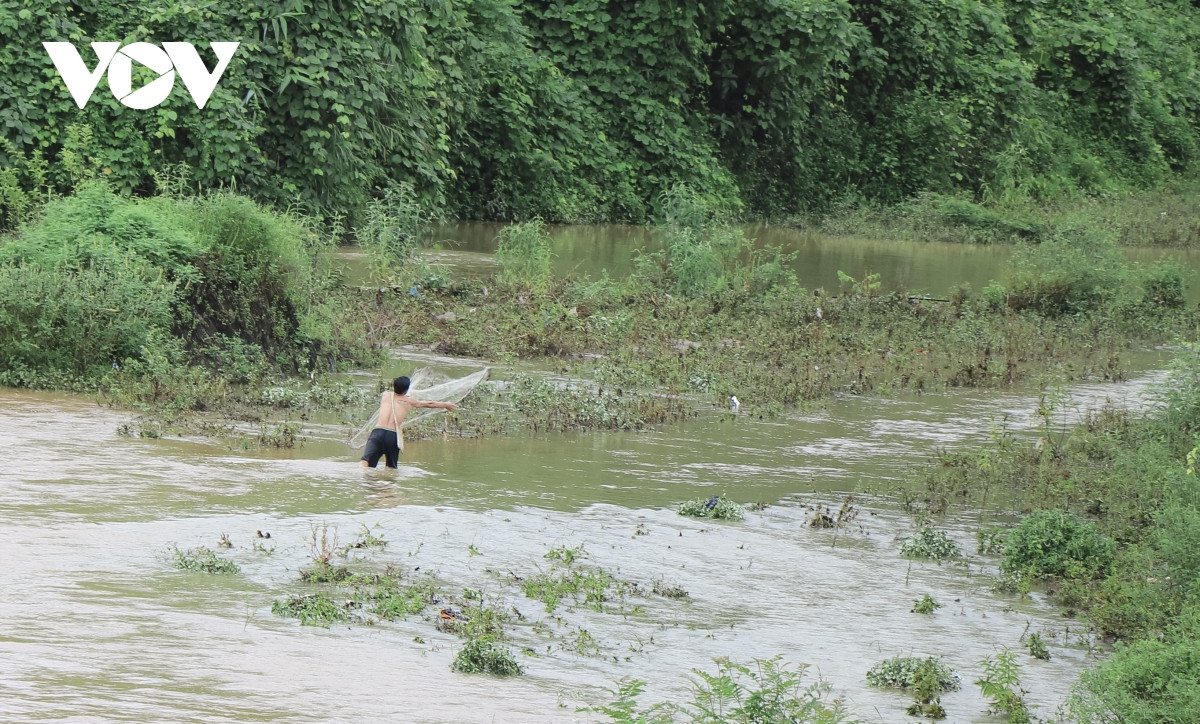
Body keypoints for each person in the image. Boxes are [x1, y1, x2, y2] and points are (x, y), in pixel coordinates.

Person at [360, 376, 458, 468]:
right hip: (392, 436)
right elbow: (429, 403)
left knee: (366, 462)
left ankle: (361, 482)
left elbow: (396, 395)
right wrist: (445, 404)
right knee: (391, 468)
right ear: (406, 390)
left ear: (394, 386)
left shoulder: (386, 395)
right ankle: (389, 486)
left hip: (377, 433)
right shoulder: (409, 401)